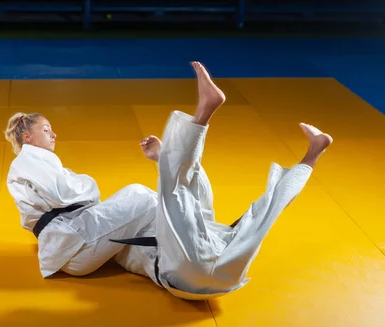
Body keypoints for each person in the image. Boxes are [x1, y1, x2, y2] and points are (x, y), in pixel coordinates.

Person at [112, 61, 334, 300]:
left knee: (260, 210)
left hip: (225, 272)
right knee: (185, 197)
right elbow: (186, 207)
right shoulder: (131, 236)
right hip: (197, 269)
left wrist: (161, 160)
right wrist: (161, 160)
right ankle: (203, 114)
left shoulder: (125, 239)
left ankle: (315, 151)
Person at [4, 111, 158, 280]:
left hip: (77, 237)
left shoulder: (40, 163)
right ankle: (180, 231)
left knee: (136, 191)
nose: (54, 135)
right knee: (148, 201)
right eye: (46, 130)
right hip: (75, 245)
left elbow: (71, 193)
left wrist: (82, 186)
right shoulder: (27, 160)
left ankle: (161, 262)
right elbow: (62, 194)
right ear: (28, 137)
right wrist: (88, 183)